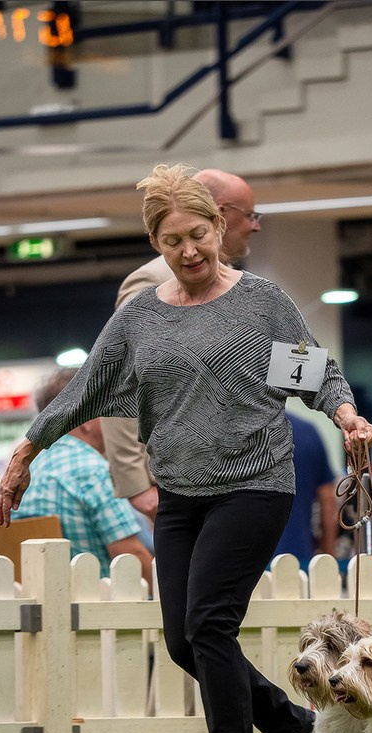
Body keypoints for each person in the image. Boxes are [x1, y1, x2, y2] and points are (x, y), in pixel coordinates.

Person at [0, 163, 372, 733]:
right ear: (157, 245)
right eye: (173, 242)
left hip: (254, 485)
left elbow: (316, 374)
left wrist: (346, 415)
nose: (190, 251)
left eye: (199, 234)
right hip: (179, 495)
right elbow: (86, 387)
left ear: (220, 226)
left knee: (208, 624)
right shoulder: (141, 314)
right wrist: (26, 451)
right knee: (182, 639)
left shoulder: (259, 301)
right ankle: (290, 725)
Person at [100, 167, 262, 526]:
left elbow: (278, 359)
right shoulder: (151, 283)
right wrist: (136, 485)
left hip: (237, 481)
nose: (255, 225)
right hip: (177, 489)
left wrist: (340, 405)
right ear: (220, 214)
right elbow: (117, 379)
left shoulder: (244, 289)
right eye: (249, 215)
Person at [11, 366, 154, 589]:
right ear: (86, 419)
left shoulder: (30, 470)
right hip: (101, 609)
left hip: (41, 605)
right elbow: (129, 554)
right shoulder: (91, 470)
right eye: (108, 410)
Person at [272, 411, 340, 571]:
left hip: (242, 560)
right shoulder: (307, 431)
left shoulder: (229, 430)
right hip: (299, 557)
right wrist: (328, 557)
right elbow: (328, 500)